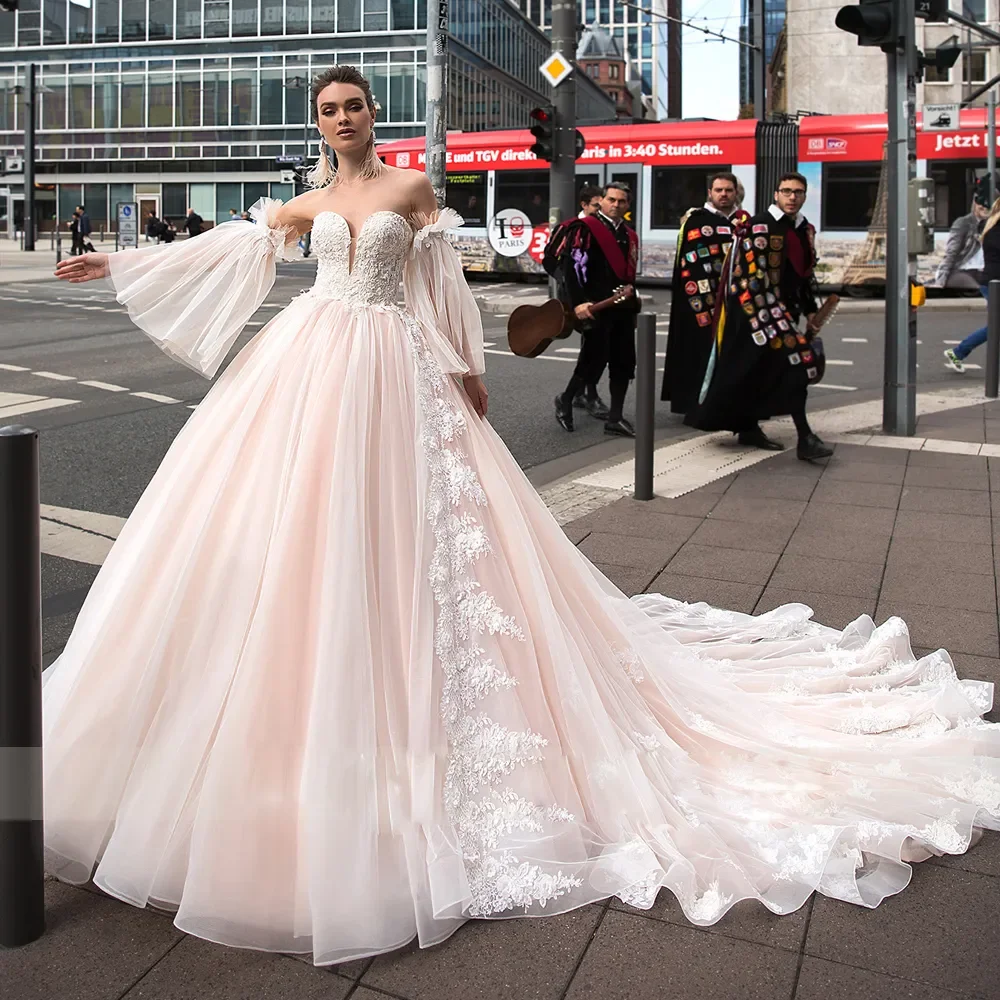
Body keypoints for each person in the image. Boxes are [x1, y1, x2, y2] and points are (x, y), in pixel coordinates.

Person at [49, 66, 1000, 967]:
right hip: (306, 372)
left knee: (413, 535)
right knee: (286, 530)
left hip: (392, 373)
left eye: (356, 104)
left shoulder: (412, 192)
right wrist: (122, 259)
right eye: (330, 108)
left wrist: (465, 370)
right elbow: (233, 248)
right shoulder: (304, 205)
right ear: (317, 122)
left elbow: (438, 288)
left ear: (375, 114)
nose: (344, 117)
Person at [686, 171, 832, 461]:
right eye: (787, 191)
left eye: (798, 192)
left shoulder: (805, 229)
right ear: (776, 194)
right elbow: (750, 278)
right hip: (754, 313)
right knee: (796, 367)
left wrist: (810, 310)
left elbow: (803, 276)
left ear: (805, 196)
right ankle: (804, 437)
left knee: (759, 373)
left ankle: (749, 427)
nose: (792, 197)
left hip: (782, 311)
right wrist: (778, 319)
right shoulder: (759, 225)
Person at [552, 183, 640, 436]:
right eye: (611, 199)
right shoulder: (585, 229)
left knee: (623, 362)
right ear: (602, 201)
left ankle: (615, 417)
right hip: (594, 306)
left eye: (621, 201)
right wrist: (578, 302)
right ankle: (566, 400)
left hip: (622, 308)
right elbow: (571, 270)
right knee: (592, 360)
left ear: (627, 205)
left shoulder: (628, 234)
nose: (616, 205)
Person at [662, 171, 750, 414]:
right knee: (697, 353)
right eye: (719, 190)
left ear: (736, 193)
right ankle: (695, 403)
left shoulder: (745, 222)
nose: (724, 194)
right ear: (710, 193)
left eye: (728, 190)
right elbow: (687, 266)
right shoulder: (696, 220)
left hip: (736, 301)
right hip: (700, 302)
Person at [543, 184, 610, 420]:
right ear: (584, 205)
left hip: (601, 298)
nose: (599, 210)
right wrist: (564, 281)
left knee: (598, 349)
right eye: (595, 206)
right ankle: (582, 395)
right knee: (594, 347)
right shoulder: (569, 228)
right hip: (577, 298)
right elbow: (549, 257)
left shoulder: (604, 228)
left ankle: (583, 394)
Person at [944, 195, 1000, 372]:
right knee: (996, 325)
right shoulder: (996, 229)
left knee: (996, 325)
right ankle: (958, 352)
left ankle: (959, 352)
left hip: (990, 281)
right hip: (994, 283)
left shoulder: (990, 225)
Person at [936, 195, 989, 291]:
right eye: (981, 202)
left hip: (986, 271)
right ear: (974, 203)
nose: (985, 207)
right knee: (982, 291)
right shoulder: (963, 223)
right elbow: (952, 252)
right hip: (964, 271)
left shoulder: (993, 224)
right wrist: (942, 278)